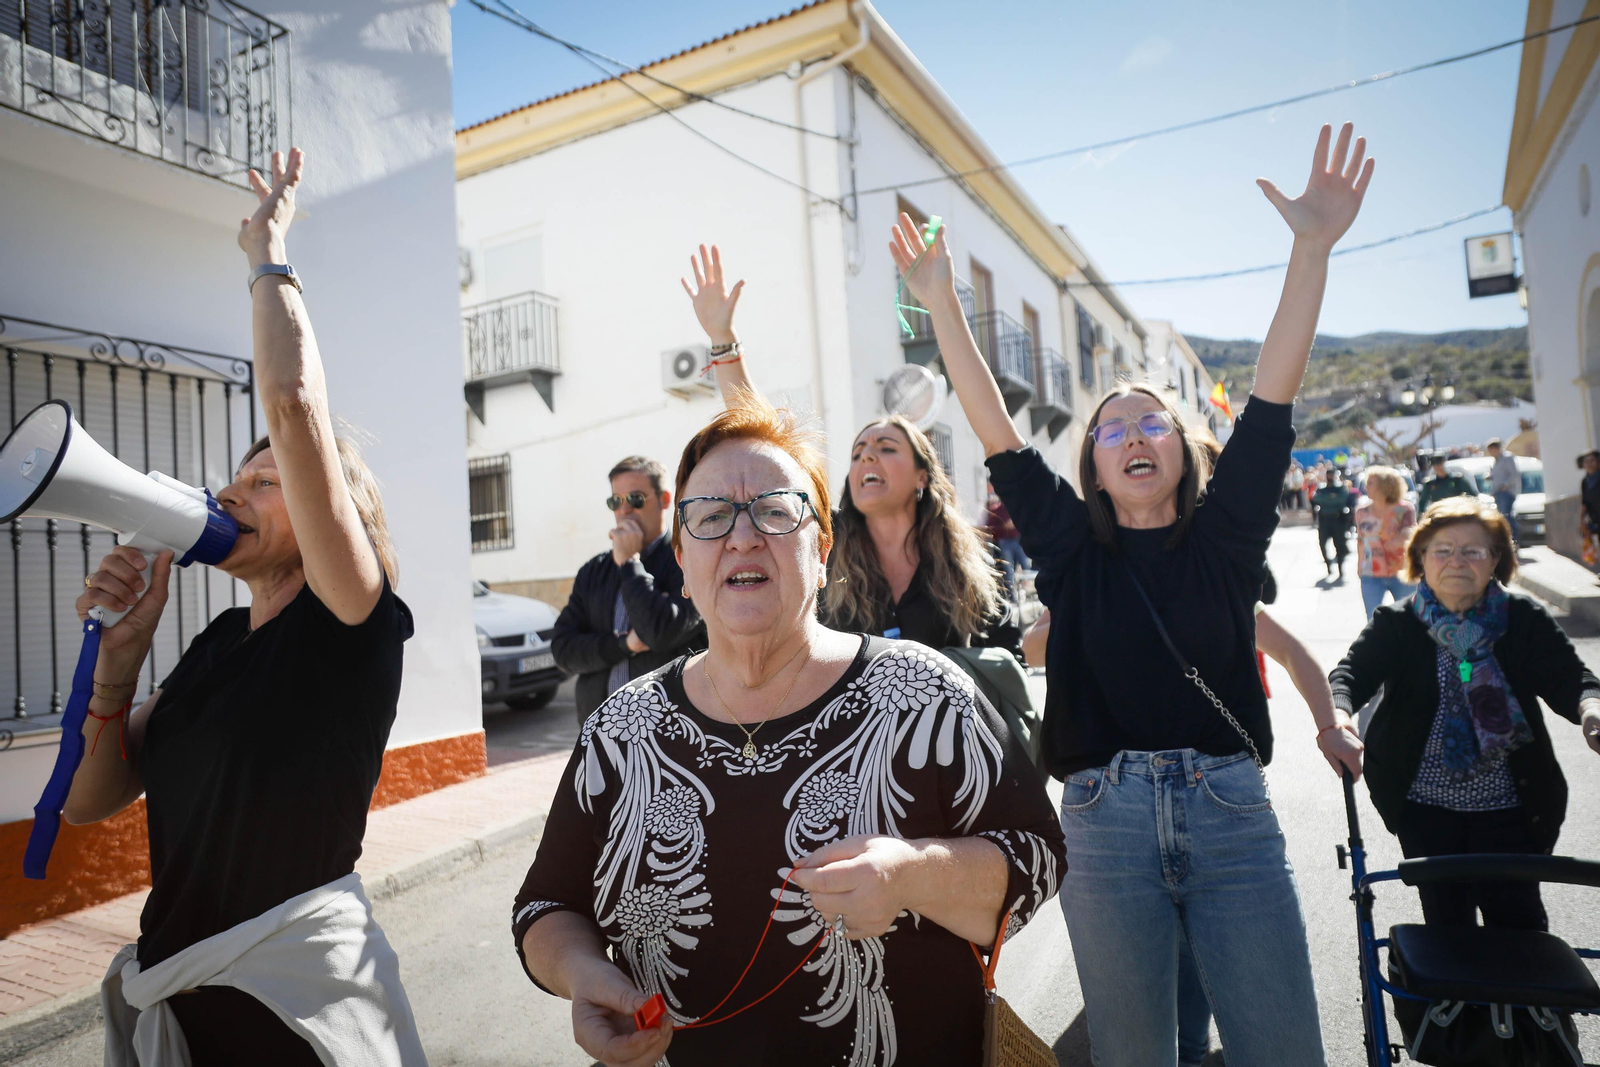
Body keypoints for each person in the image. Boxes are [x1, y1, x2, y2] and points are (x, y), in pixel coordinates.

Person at [892, 120, 1375, 1067]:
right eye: (1112, 429)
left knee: (1284, 1050)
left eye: (1153, 420)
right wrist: (941, 300)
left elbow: (1273, 395)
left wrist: (1311, 250)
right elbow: (995, 427)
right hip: (1103, 827)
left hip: (1232, 815)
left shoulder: (1227, 537)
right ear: (1093, 470)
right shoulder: (1072, 548)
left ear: (1186, 453)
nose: (1134, 433)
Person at [510, 398, 1065, 1067]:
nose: (743, 537)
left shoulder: (925, 691)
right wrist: (582, 977)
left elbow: (1037, 855)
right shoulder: (621, 729)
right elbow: (546, 905)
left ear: (822, 550)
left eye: (775, 511)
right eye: (711, 516)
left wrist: (912, 875)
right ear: (680, 561)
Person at [65, 149, 424, 1064]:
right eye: (237, 476)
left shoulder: (351, 619)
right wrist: (119, 660)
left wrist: (268, 252)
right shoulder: (220, 642)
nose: (233, 491)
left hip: (293, 1016)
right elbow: (85, 802)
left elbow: (294, 402)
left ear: (333, 515)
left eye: (269, 481)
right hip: (191, 1011)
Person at [679, 245, 1020, 661]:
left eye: (886, 447)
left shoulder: (971, 561)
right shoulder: (828, 539)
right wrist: (722, 338)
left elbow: (1008, 656)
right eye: (858, 453)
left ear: (922, 475)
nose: (866, 458)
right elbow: (761, 441)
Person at [1329, 498, 1600, 930]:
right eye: (1443, 550)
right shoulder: (1398, 623)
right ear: (1421, 558)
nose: (1457, 561)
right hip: (1425, 812)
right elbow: (1349, 677)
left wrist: (1591, 709)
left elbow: (1571, 679)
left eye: (1473, 550)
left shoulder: (1521, 618)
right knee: (1447, 933)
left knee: (1520, 932)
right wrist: (1339, 718)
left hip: (1514, 810)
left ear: (1496, 560)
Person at [550, 457, 705, 728]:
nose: (624, 510)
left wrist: (630, 563)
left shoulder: (689, 561)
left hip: (669, 730)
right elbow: (563, 650)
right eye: (615, 501)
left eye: (635, 499)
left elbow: (658, 632)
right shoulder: (594, 570)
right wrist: (623, 645)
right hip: (601, 733)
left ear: (664, 500)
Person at [1353, 465, 1417, 618]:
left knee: (1409, 617)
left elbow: (1411, 534)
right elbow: (1360, 540)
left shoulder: (1404, 509)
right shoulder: (1361, 512)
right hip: (1371, 572)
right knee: (1372, 617)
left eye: (1370, 483)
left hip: (1401, 571)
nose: (1366, 487)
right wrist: (1360, 565)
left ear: (1384, 485)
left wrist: (1399, 539)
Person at [1311, 466, 1355, 579]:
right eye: (1328, 474)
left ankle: (1340, 568)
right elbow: (1316, 498)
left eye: (1332, 474)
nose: (1330, 476)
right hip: (1324, 519)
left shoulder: (1340, 487)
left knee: (1339, 545)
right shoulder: (1321, 488)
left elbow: (1341, 498)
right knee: (1322, 543)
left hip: (1338, 519)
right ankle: (1328, 566)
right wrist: (1330, 497)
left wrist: (1327, 498)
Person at [984, 487, 1030, 572]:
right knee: (1008, 568)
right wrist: (1004, 526)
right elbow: (990, 527)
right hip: (1005, 542)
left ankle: (1027, 579)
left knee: (1026, 565)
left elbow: (1026, 522)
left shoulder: (1018, 509)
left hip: (1019, 540)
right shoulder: (996, 511)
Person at [1486, 438, 1521, 544]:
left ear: (1496, 448)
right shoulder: (1495, 461)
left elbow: (1514, 474)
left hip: (1506, 492)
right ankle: (1506, 540)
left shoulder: (1507, 458)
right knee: (1502, 517)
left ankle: (1514, 540)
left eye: (1492, 449)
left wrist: (1505, 485)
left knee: (1507, 516)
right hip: (1497, 491)